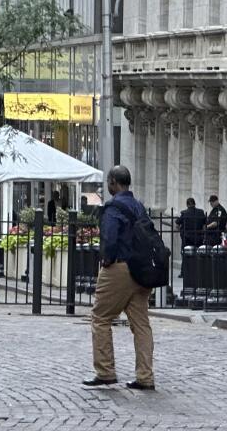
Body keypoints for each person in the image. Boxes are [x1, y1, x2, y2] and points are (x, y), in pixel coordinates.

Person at [83, 166, 155, 392]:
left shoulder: (113, 208)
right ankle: (145, 376)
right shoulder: (139, 207)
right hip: (141, 270)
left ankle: (105, 371)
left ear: (114, 182)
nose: (107, 185)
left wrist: (106, 260)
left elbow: (110, 238)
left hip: (119, 267)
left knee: (101, 317)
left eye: (108, 181)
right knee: (141, 324)